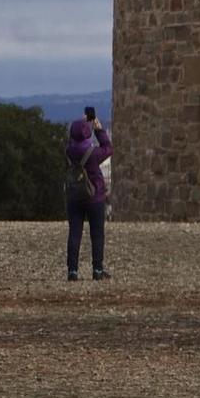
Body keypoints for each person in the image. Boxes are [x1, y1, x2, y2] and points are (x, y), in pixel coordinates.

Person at [64, 111, 112, 283]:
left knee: (75, 233)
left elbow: (72, 139)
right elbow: (108, 149)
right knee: (97, 235)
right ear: (87, 133)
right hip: (95, 197)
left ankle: (72, 271)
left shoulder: (68, 151)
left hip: (74, 196)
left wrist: (80, 125)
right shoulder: (93, 153)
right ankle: (97, 270)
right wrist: (99, 130)